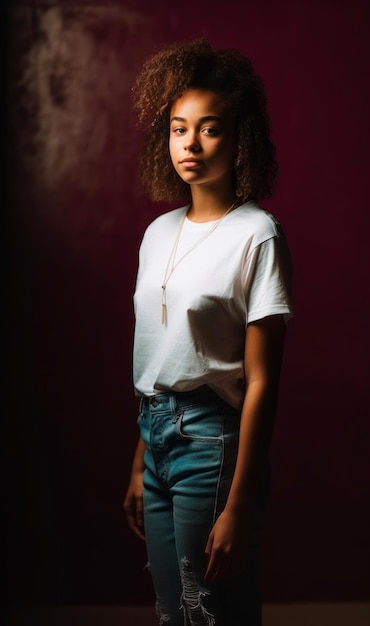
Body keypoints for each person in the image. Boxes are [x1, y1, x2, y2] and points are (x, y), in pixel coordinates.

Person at [123, 37, 292, 626]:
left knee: (211, 615)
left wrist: (241, 499)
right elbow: (162, 355)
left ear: (238, 136)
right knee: (176, 614)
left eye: (209, 128)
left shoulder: (257, 234)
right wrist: (141, 456)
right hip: (157, 436)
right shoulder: (156, 233)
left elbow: (263, 379)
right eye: (177, 128)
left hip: (212, 444)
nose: (189, 144)